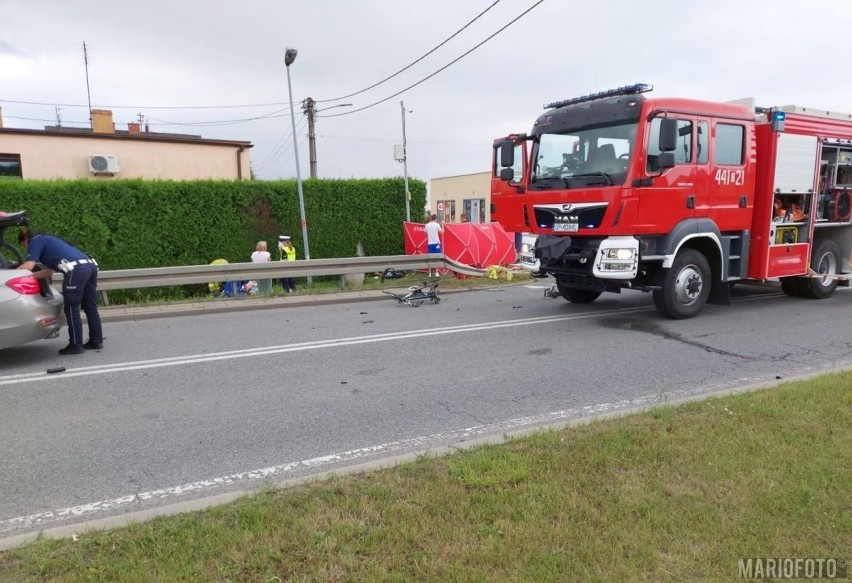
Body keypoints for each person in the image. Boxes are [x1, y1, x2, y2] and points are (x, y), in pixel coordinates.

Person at [17, 228, 103, 355]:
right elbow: (48, 272)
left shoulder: (35, 241)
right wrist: (31, 276)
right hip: (89, 266)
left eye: (24, 246)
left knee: (71, 307)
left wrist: (12, 274)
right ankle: (96, 340)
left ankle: (75, 345)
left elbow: (29, 265)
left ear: (25, 240)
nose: (26, 249)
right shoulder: (50, 241)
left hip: (76, 271)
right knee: (90, 306)